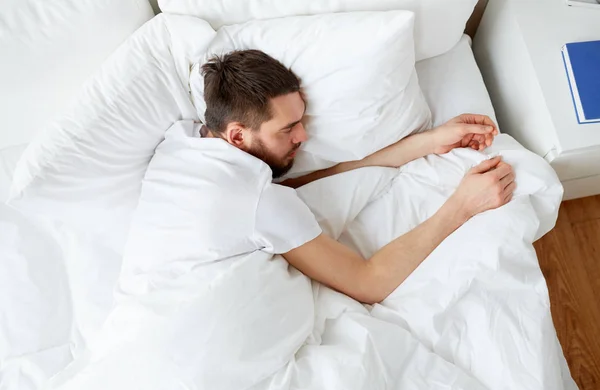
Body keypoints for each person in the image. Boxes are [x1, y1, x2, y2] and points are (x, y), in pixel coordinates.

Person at [198, 49, 515, 304]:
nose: (303, 136)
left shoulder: (187, 140)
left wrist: (430, 142)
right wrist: (463, 205)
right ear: (237, 136)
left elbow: (303, 184)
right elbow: (368, 282)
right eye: (288, 129)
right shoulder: (259, 203)